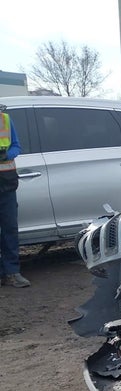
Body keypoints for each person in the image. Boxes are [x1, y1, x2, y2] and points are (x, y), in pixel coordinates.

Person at [0, 104, 29, 288]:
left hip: (6, 184)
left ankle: (12, 272)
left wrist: (5, 154)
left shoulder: (5, 120)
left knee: (10, 229)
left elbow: (17, 146)